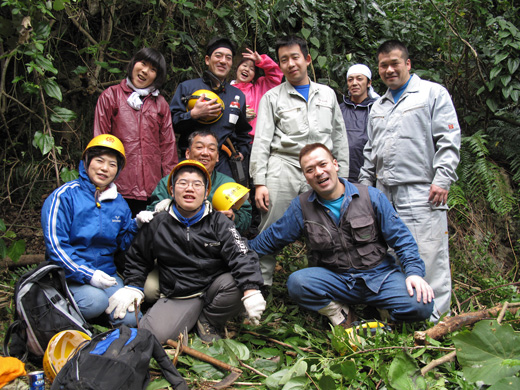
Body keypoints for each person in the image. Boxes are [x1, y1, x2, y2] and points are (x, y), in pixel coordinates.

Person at [249, 144, 434, 327]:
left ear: (335, 165)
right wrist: (237, 251)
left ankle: (381, 312)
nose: (319, 173)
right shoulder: (301, 207)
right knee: (298, 283)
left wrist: (414, 273)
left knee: (421, 305)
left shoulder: (371, 196)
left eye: (323, 164)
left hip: (380, 275)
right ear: (305, 177)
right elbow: (271, 239)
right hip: (337, 280)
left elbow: (402, 240)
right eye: (310, 170)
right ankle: (340, 314)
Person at [106, 160, 266, 344]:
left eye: (197, 184)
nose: (190, 188)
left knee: (240, 282)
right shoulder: (159, 223)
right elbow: (138, 258)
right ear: (172, 191)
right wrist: (133, 286)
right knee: (152, 336)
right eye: (183, 183)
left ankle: (209, 320)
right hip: (180, 293)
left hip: (215, 286)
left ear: (206, 193)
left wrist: (252, 290)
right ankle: (187, 315)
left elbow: (241, 254)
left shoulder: (219, 222)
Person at [359, 40, 461, 321]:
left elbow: (449, 139)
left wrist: (442, 179)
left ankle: (435, 323)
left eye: (394, 63)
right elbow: (370, 152)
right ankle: (399, 317)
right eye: (383, 65)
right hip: (383, 193)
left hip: (422, 190)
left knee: (428, 254)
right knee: (389, 254)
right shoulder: (378, 106)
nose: (389, 69)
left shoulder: (431, 94)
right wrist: (365, 191)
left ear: (407, 64)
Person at [250, 35, 350, 287]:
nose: (291, 64)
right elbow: (261, 140)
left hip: (321, 171)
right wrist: (259, 182)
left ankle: (319, 285)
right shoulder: (272, 98)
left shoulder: (327, 95)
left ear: (307, 59)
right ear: (280, 65)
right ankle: (260, 285)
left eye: (295, 57)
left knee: (324, 227)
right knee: (270, 227)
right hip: (282, 166)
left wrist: (343, 177)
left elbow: (339, 137)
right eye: (284, 60)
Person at [41, 135, 150, 327]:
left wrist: (136, 226)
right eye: (99, 160)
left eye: (112, 164)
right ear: (87, 162)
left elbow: (122, 243)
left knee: (131, 318)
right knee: (95, 302)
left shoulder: (119, 204)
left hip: (106, 275)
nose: (104, 168)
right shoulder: (64, 197)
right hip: (70, 275)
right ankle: (62, 311)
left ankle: (101, 318)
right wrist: (88, 274)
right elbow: (56, 248)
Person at [93, 48, 178, 216]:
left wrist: (170, 187)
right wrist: (101, 179)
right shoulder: (111, 96)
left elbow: (168, 147)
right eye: (143, 64)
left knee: (147, 237)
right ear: (133, 64)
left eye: (153, 69)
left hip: (152, 189)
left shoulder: (160, 104)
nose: (145, 71)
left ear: (157, 76)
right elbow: (100, 141)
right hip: (117, 186)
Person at [169, 37, 251, 178]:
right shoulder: (188, 88)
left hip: (224, 165)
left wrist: (242, 152)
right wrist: (193, 115)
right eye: (218, 56)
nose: (223, 61)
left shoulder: (237, 95)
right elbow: (171, 124)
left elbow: (243, 133)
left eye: (228, 58)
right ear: (207, 60)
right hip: (190, 163)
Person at [147, 129, 252, 235]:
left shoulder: (227, 183)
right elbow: (152, 214)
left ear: (217, 157)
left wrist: (233, 218)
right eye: (199, 147)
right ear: (188, 153)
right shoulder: (169, 181)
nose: (205, 153)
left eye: (211, 149)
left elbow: (246, 216)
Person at [231, 48, 283, 138]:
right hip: (231, 138)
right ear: (237, 68)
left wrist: (262, 61)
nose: (247, 69)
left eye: (252, 69)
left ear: (254, 75)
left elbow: (276, 75)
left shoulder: (258, 89)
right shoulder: (226, 90)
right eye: (244, 65)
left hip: (253, 140)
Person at [339, 64, 379, 183]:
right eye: (350, 79)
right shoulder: (339, 109)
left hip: (369, 175)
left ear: (369, 83)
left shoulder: (377, 110)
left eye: (359, 78)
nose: (354, 83)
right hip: (343, 174)